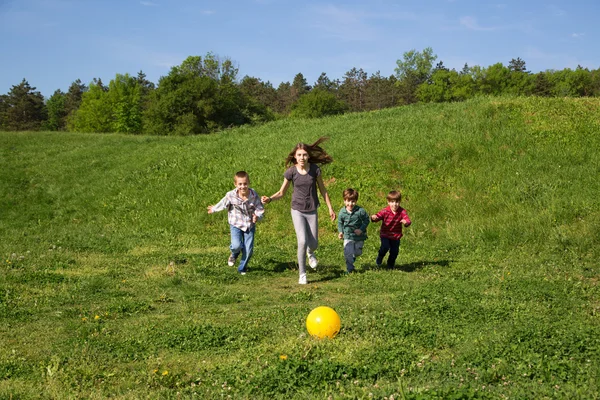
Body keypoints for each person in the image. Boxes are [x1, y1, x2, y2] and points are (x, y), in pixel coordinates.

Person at [261, 137, 336, 285]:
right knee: (302, 241)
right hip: (297, 210)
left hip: (312, 210)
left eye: (305, 155)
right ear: (295, 156)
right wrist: (270, 199)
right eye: (299, 155)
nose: (302, 157)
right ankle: (302, 273)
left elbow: (322, 189)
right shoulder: (291, 172)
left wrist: (330, 208)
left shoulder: (315, 170)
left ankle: (310, 252)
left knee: (313, 244)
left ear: (308, 156)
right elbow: (282, 192)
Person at [207, 171, 264, 275]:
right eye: (240, 184)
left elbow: (260, 209)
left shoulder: (254, 195)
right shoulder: (231, 195)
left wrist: (257, 216)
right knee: (236, 245)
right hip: (235, 223)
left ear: (249, 183)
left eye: (245, 184)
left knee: (248, 250)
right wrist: (214, 209)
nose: (243, 186)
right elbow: (223, 203)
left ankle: (242, 268)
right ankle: (234, 253)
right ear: (235, 184)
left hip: (249, 224)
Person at [370, 190, 411, 269]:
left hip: (396, 236)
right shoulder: (385, 211)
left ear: (400, 202)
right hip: (385, 234)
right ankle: (380, 256)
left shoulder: (402, 211)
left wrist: (406, 222)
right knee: (385, 247)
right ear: (388, 202)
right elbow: (378, 216)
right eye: (392, 202)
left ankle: (390, 265)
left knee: (394, 252)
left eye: (397, 202)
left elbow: (407, 220)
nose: (395, 204)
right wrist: (374, 218)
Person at [337, 188, 370, 273]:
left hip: (359, 236)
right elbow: (340, 222)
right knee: (348, 253)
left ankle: (353, 257)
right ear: (344, 201)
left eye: (353, 201)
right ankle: (350, 269)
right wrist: (341, 232)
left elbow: (367, 220)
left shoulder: (360, 211)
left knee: (358, 252)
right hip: (348, 236)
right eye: (348, 201)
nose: (350, 204)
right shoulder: (342, 212)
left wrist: (361, 229)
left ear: (356, 201)